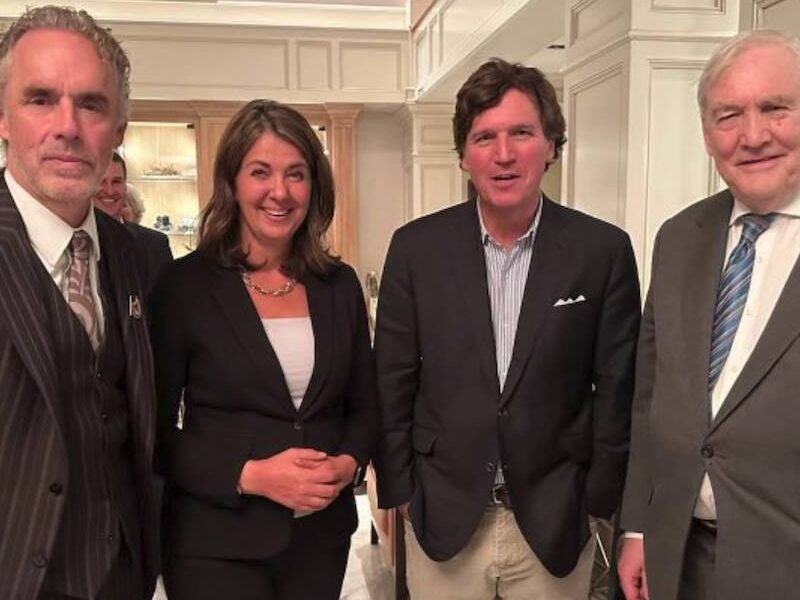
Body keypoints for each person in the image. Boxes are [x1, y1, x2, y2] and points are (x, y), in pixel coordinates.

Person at [374, 58, 641, 599]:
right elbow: (391, 380)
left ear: (551, 146)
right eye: (484, 137)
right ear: (464, 156)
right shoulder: (415, 249)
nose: (503, 153)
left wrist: (598, 500)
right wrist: (399, 490)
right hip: (444, 512)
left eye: (521, 132)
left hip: (555, 516)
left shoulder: (603, 252)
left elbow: (618, 389)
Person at [148, 99, 378, 600]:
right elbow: (154, 432)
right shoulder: (184, 287)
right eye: (261, 172)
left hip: (319, 541)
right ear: (232, 181)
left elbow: (365, 405)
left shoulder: (338, 285)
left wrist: (349, 461)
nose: (280, 191)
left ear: (315, 185)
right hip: (216, 544)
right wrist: (250, 476)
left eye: (296, 174)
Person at [618, 29, 800, 600]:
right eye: (728, 115)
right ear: (705, 133)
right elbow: (651, 398)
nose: (752, 135)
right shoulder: (678, 238)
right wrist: (639, 525)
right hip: (678, 555)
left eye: (775, 108)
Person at [0, 6, 159, 600]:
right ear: (3, 118)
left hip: (124, 574)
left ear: (118, 129)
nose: (67, 125)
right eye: (40, 99)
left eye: (90, 103)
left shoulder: (135, 255)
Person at [94, 152, 173, 294]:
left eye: (116, 181)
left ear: (125, 186)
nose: (110, 190)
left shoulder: (154, 244)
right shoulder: (76, 244)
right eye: (101, 181)